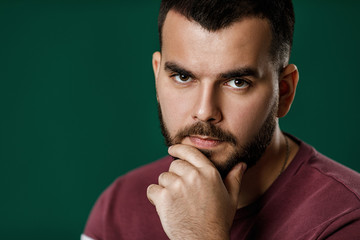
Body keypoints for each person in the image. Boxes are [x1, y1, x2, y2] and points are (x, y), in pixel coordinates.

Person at [81, 0, 360, 239]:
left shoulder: (346, 219)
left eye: (237, 82)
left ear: (283, 91)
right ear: (157, 78)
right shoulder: (118, 208)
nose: (204, 111)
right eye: (183, 77)